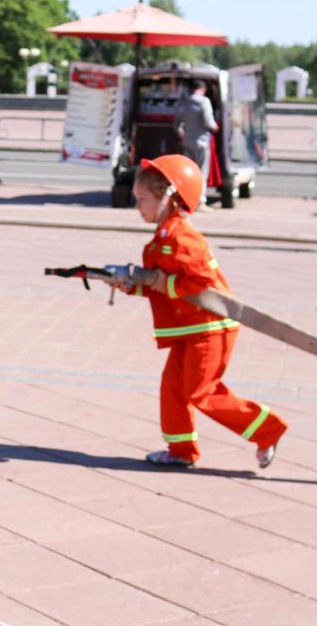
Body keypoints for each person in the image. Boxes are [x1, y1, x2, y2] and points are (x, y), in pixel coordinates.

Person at [112, 155, 288, 469]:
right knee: (173, 389)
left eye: (142, 199)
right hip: (187, 328)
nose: (137, 206)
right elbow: (160, 288)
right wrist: (127, 283)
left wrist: (158, 279)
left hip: (210, 326)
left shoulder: (182, 237)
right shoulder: (160, 240)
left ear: (167, 196)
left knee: (201, 392)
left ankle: (267, 430)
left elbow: (202, 284)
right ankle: (180, 451)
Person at [175, 80, 218, 206]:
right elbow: (209, 122)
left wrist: (182, 134)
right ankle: (200, 200)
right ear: (203, 89)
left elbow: (176, 124)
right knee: (201, 172)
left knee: (188, 171)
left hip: (187, 142)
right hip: (201, 142)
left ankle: (187, 197)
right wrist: (216, 128)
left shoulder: (184, 102)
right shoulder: (204, 102)